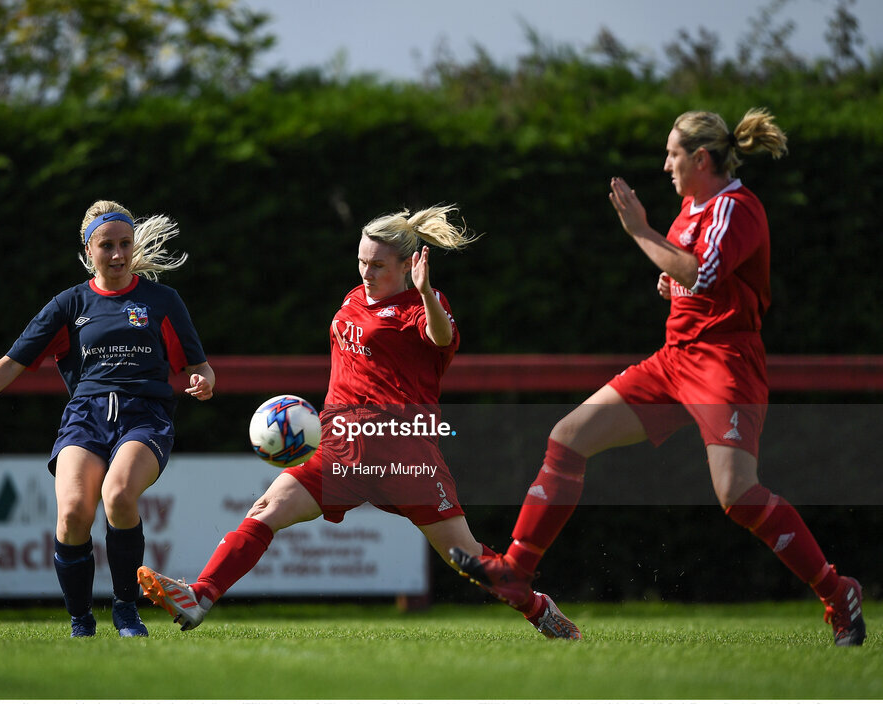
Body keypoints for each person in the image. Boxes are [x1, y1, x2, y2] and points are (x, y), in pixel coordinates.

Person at [450, 108, 866, 647]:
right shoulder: (689, 210)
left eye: (672, 153)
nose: (665, 164)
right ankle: (515, 569)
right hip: (674, 362)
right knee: (566, 438)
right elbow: (688, 276)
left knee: (738, 494)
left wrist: (641, 232)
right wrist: (671, 284)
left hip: (724, 364)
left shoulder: (736, 207)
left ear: (699, 158)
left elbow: (702, 270)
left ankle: (839, 592)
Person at [137, 205, 580, 639]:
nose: (367, 272)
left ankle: (537, 607)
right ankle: (200, 595)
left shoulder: (422, 304)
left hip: (400, 450)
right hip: (338, 445)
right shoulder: (353, 296)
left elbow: (439, 336)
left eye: (379, 265)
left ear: (408, 265)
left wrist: (427, 293)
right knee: (265, 511)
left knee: (463, 558)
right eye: (362, 261)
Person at [0, 200, 215, 638]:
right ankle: (81, 621)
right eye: (106, 245)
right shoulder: (70, 304)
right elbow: (12, 362)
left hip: (144, 419)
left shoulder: (161, 301)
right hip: (86, 419)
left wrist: (204, 382)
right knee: (72, 512)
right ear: (88, 249)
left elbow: (200, 367)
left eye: (124, 244)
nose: (117, 254)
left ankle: (126, 610)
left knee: (119, 495)